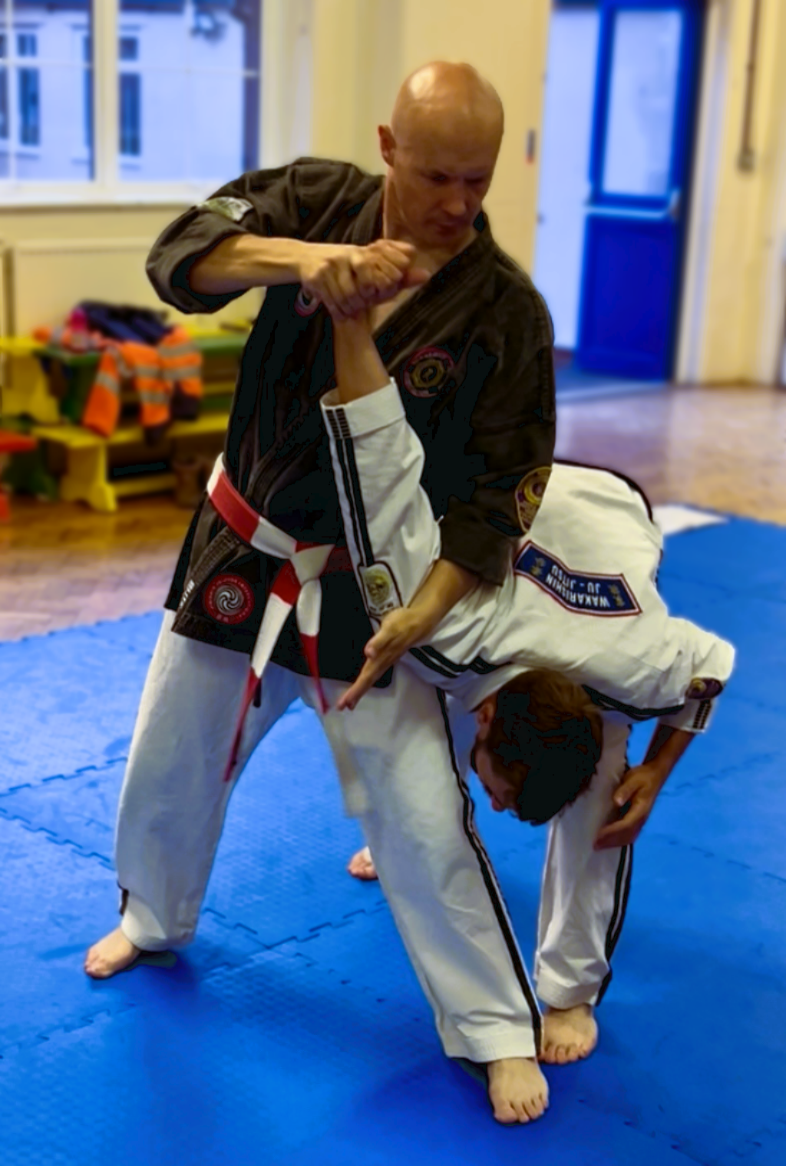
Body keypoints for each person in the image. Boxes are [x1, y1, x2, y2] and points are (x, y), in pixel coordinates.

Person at [85, 62, 558, 1125]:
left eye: (477, 180)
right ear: (389, 145)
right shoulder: (316, 197)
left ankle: (492, 1026)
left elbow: (496, 503)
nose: (457, 203)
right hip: (242, 555)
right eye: (437, 175)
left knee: (425, 821)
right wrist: (316, 260)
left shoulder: (504, 314)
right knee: (170, 756)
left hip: (373, 598)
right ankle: (154, 915)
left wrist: (421, 617)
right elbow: (181, 258)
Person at [316, 297, 735, 1066]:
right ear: (484, 724)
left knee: (605, 800)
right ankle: (395, 832)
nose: (502, 806)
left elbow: (711, 667)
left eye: (500, 798)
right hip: (526, 502)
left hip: (611, 513)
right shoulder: (442, 633)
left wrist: (654, 773)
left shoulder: (636, 671)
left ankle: (571, 990)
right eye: (505, 793)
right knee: (406, 701)